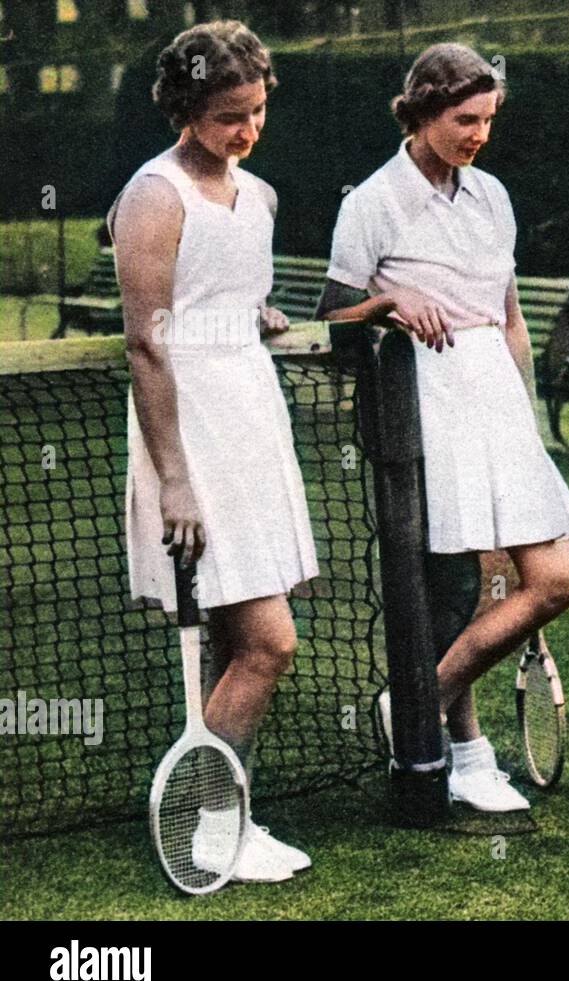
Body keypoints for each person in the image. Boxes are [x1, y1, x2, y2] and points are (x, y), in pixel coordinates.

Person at [317, 43, 569, 813]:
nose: (478, 135)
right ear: (425, 110)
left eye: (488, 121)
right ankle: (465, 756)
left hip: (497, 399)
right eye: (465, 119)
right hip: (422, 403)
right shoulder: (371, 200)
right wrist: (388, 301)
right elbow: (332, 323)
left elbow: (510, 320)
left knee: (552, 582)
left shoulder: (493, 196)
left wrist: (528, 423)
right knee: (459, 594)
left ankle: (416, 703)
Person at [112, 20, 315, 883]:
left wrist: (253, 313)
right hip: (189, 431)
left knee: (243, 644)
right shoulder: (154, 197)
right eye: (230, 114)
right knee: (271, 643)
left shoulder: (259, 196)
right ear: (187, 109)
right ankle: (208, 825)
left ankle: (225, 817)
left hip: (252, 417)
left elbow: (226, 295)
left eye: (259, 110)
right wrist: (176, 482)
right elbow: (148, 345)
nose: (247, 129)